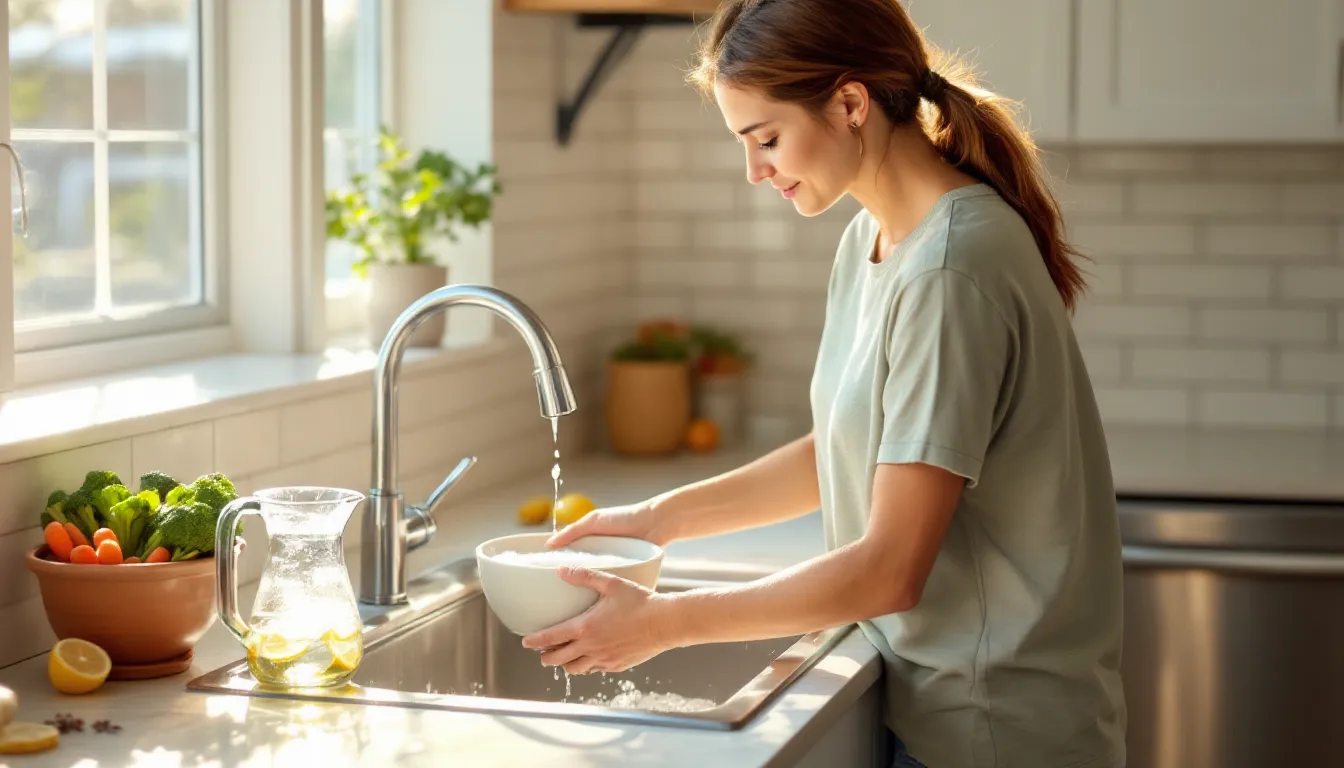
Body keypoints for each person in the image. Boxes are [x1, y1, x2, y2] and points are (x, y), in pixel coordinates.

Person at [519, 1, 1127, 766]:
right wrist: (658, 519)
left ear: (849, 103)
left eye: (766, 139)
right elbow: (850, 447)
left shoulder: (951, 268)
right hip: (938, 704)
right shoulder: (873, 240)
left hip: (994, 731)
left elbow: (888, 569)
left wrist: (664, 622)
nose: (754, 170)